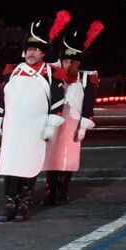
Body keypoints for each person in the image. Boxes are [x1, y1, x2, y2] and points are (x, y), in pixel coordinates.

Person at [0, 14, 68, 222]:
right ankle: (9, 203)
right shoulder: (13, 71)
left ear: (43, 53)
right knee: (10, 165)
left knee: (28, 165)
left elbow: (57, 102)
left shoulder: (52, 74)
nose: (30, 53)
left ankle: (24, 203)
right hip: (12, 128)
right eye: (28, 49)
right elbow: (2, 99)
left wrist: (50, 126)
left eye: (35, 50)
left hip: (35, 129)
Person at [42, 21, 103, 206]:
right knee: (51, 157)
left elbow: (88, 105)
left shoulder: (86, 77)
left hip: (72, 124)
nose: (69, 65)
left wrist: (84, 126)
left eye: (73, 62)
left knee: (67, 158)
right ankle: (51, 190)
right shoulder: (51, 72)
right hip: (53, 121)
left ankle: (64, 189)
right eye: (66, 61)